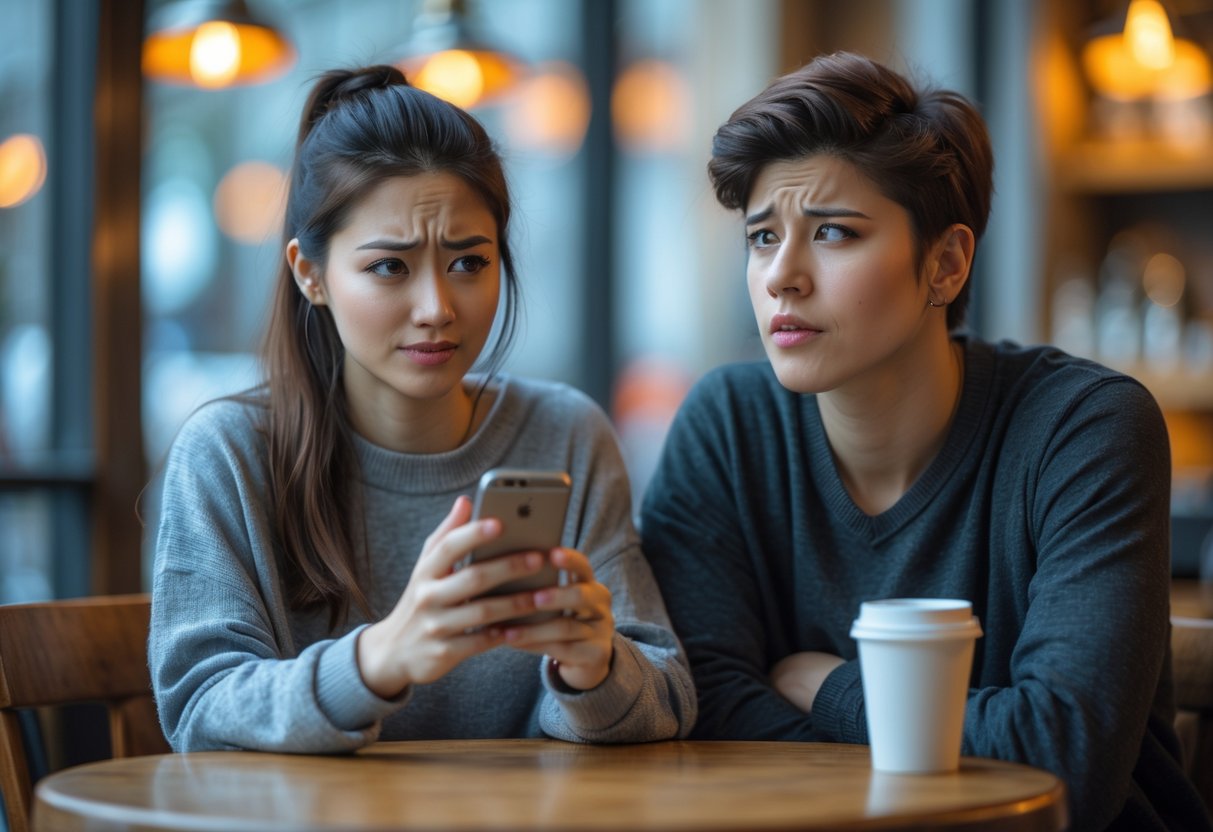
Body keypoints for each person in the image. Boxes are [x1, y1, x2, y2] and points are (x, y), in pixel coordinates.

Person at [639, 52, 1211, 832]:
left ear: (944, 262)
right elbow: (694, 709)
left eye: (833, 233)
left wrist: (828, 685)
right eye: (762, 236)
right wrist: (953, 732)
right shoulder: (727, 426)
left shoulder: (1084, 428)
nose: (781, 276)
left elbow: (1062, 758)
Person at [149, 65, 695, 753]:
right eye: (390, 267)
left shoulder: (564, 433)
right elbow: (198, 710)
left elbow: (670, 697)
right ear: (309, 274)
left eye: (469, 263)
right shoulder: (230, 453)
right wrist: (380, 658)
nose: (437, 308)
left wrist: (595, 669)